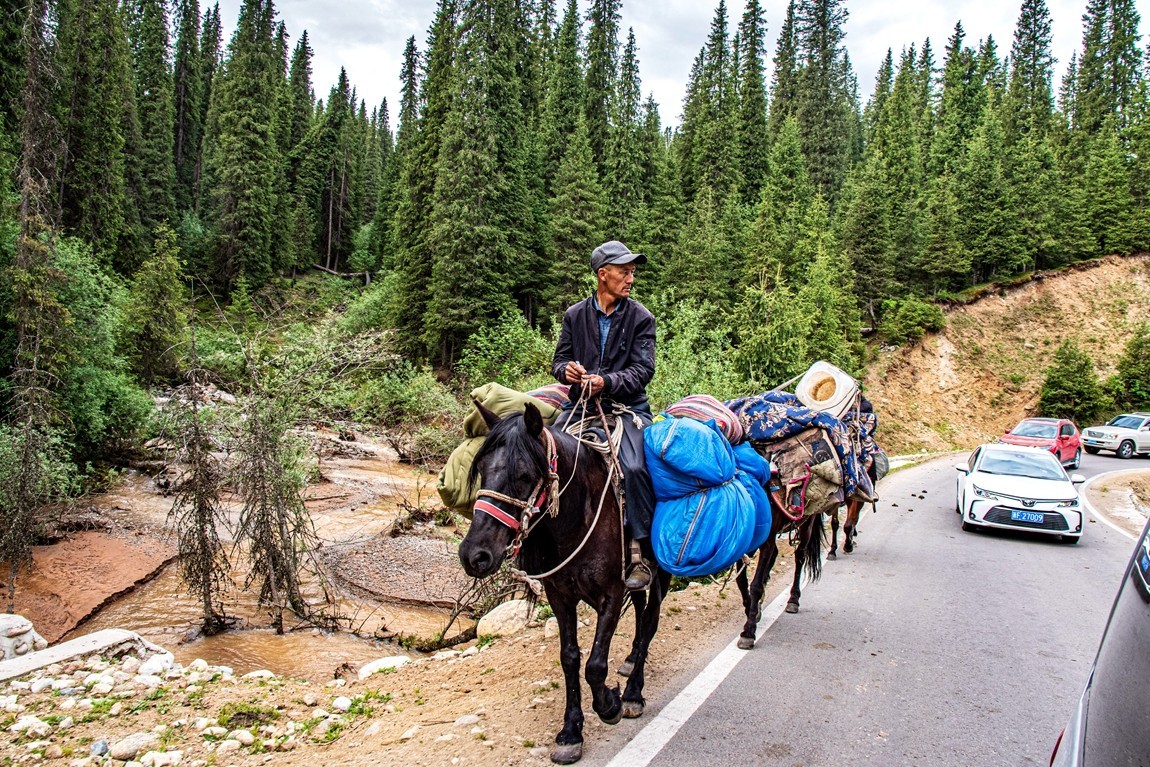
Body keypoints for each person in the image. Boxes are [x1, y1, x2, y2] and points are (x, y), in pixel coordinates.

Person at [551, 240, 657, 590]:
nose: (630, 278)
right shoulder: (574, 316)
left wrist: (606, 381)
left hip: (627, 409)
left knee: (635, 467)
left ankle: (640, 551)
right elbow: (559, 360)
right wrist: (566, 371)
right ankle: (540, 543)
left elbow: (643, 370)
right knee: (544, 456)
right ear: (603, 275)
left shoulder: (642, 318)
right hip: (578, 406)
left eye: (632, 272)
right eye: (624, 272)